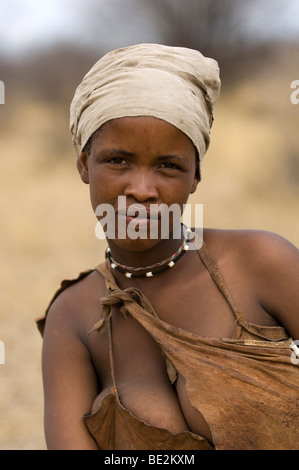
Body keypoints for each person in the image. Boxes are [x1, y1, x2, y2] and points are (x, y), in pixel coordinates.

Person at [37, 43, 299, 450]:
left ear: (195, 177)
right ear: (84, 164)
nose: (141, 190)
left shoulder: (263, 263)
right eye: (118, 160)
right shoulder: (73, 317)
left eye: (168, 166)